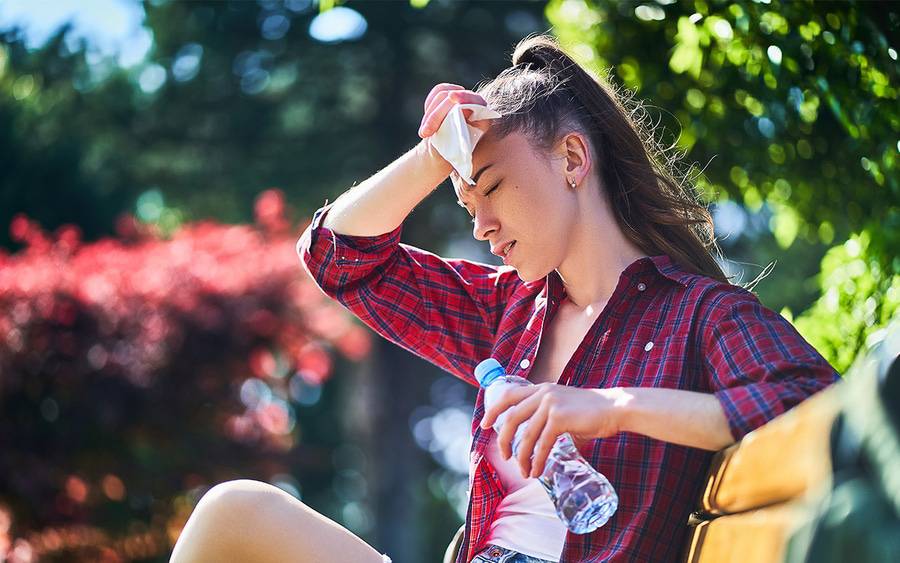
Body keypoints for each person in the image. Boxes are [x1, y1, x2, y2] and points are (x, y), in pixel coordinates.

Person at [169, 34, 840, 563]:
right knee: (234, 513)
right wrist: (436, 155)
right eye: (465, 202)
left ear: (573, 160)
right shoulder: (507, 311)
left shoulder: (700, 315)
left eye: (490, 186)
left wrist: (613, 408)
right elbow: (338, 257)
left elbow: (815, 407)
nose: (479, 224)